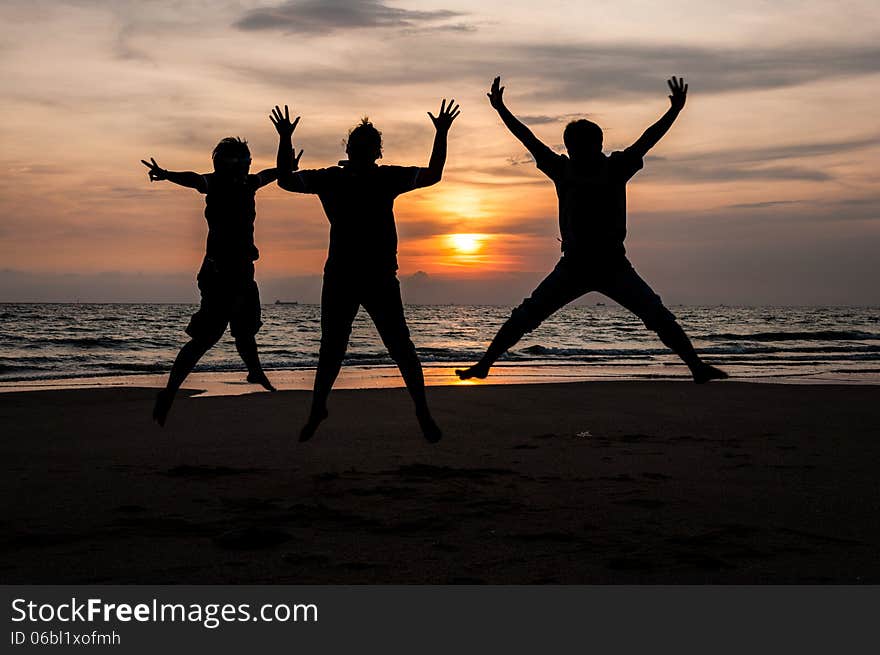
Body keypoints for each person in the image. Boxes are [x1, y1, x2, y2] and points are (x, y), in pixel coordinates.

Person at [456, 76, 727, 384]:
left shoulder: (612, 167)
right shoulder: (568, 168)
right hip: (575, 265)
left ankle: (696, 367)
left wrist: (675, 111)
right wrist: (501, 109)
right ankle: (484, 365)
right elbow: (528, 139)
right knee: (528, 315)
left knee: (656, 315)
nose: (575, 152)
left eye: (578, 146)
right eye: (573, 147)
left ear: (595, 145)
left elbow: (648, 138)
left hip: (612, 264)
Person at [270, 100, 460, 442]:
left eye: (365, 146)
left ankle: (420, 409)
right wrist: (283, 138)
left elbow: (433, 175)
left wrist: (442, 134)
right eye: (360, 146)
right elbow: (284, 180)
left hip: (375, 275)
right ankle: (319, 408)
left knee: (393, 346)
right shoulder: (335, 178)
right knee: (341, 347)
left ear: (373, 151)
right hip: (349, 275)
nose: (362, 151)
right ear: (365, 150)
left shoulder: (379, 178)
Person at [141, 137, 286, 426]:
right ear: (223, 162)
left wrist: (285, 161)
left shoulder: (248, 183)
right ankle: (169, 393)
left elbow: (270, 175)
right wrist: (167, 174)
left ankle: (255, 371)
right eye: (238, 159)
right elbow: (194, 179)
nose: (244, 164)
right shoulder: (216, 183)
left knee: (245, 330)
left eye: (246, 159)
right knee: (205, 338)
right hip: (219, 274)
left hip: (244, 271)